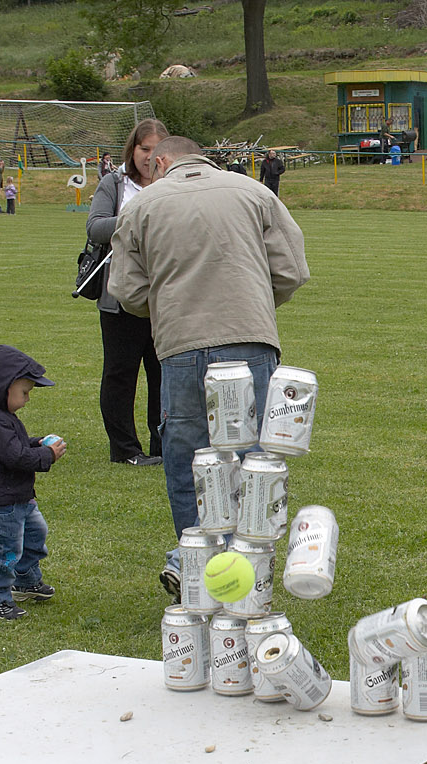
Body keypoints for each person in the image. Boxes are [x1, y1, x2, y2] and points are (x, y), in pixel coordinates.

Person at [108, 136, 310, 598]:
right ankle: (249, 573)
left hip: (180, 346)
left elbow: (127, 289)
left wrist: (167, 307)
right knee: (253, 462)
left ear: (162, 161)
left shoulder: (141, 206)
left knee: (188, 461)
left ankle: (195, 561)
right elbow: (291, 270)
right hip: (251, 338)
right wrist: (254, 302)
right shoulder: (254, 192)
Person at [86, 117, 169, 468]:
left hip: (165, 294)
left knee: (165, 374)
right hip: (120, 296)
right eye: (143, 148)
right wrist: (136, 217)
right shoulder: (114, 183)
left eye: (156, 150)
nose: (149, 157)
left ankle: (164, 445)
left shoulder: (176, 183)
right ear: (132, 149)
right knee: (120, 374)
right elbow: (95, 227)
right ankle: (125, 450)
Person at [0, 345, 66, 622]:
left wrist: (37, 443)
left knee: (35, 536)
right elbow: (16, 457)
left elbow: (16, 446)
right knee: (5, 552)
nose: (27, 399)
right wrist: (47, 455)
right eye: (24, 392)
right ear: (4, 387)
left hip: (18, 498)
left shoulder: (2, 416)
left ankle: (26, 582)